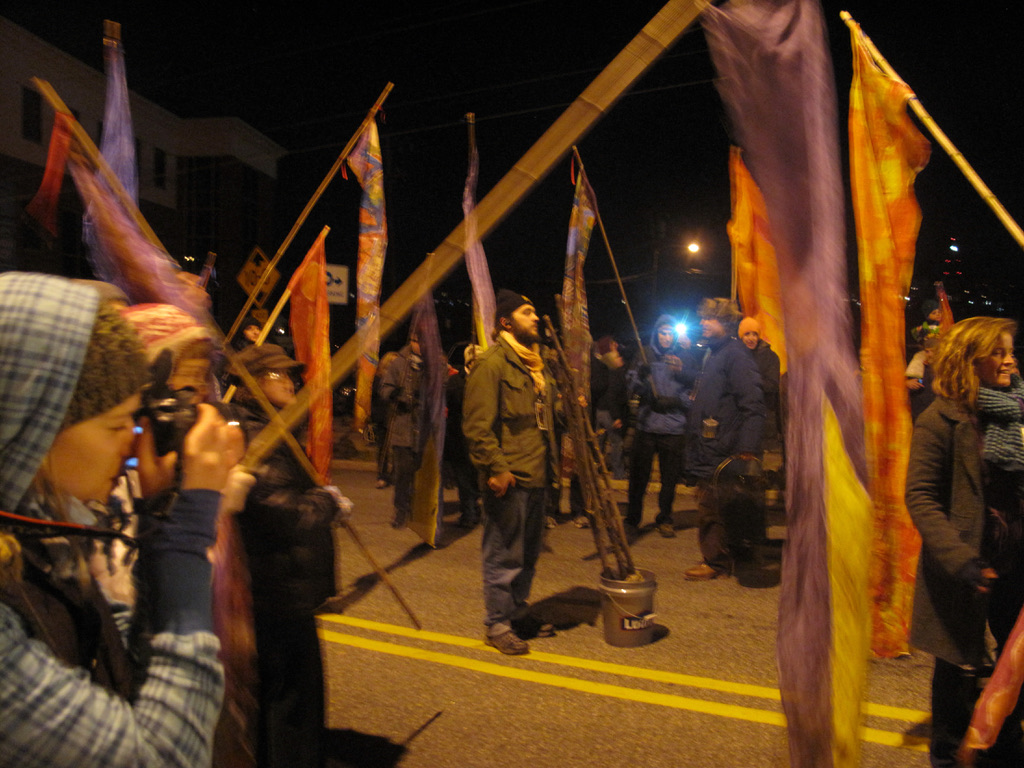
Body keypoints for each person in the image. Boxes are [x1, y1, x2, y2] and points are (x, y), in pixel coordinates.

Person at [0, 272, 243, 767]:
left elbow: (121, 673)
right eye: (116, 424)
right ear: (32, 427)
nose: (133, 442)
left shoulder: (37, 539)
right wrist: (184, 538)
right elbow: (162, 756)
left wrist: (158, 517)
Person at [906, 316, 1024, 767]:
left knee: (1013, 671)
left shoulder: (1016, 411)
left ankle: (1006, 745)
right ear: (969, 360)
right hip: (966, 570)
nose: (1010, 359)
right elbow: (919, 496)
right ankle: (948, 756)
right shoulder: (942, 420)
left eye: (1010, 350)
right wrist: (961, 560)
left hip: (1015, 563)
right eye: (998, 352)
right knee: (956, 673)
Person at [230, 343, 346, 768]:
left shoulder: (272, 428)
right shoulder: (253, 435)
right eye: (280, 375)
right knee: (290, 699)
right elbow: (282, 512)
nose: (291, 382)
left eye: (291, 375)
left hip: (281, 586)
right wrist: (328, 503)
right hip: (275, 589)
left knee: (287, 695)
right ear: (253, 385)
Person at [463, 290, 558, 655]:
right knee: (503, 555)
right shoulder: (493, 365)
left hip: (537, 474)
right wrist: (497, 469)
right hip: (510, 477)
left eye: (534, 311)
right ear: (506, 322)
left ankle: (517, 612)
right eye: (526, 312)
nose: (535, 318)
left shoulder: (537, 366)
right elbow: (477, 427)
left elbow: (542, 421)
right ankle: (497, 624)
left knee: (528, 554)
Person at [684, 298, 766, 580]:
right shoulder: (715, 354)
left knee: (713, 506)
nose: (703, 323)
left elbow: (753, 403)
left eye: (710, 318)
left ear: (727, 324)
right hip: (710, 444)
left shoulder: (736, 356)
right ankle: (728, 556)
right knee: (719, 504)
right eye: (703, 318)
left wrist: (747, 447)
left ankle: (716, 561)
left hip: (723, 448)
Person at [624, 315, 695, 538]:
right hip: (647, 426)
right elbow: (630, 386)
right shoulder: (644, 353)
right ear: (657, 333)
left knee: (669, 478)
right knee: (638, 477)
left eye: (670, 333)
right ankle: (633, 518)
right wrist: (640, 377)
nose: (666, 337)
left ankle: (665, 517)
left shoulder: (683, 357)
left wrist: (676, 401)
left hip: (673, 428)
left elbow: (693, 390)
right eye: (663, 332)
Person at [379, 333, 425, 529]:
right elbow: (384, 388)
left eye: (422, 341)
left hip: (425, 429)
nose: (419, 345)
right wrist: (394, 394)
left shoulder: (434, 363)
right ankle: (401, 510)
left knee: (422, 473)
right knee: (403, 473)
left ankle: (420, 510)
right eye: (415, 340)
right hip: (403, 428)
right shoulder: (399, 363)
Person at [445, 344, 482, 528]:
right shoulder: (455, 382)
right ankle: (468, 513)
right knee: (463, 478)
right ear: (470, 361)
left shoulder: (486, 380)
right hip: (459, 438)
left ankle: (474, 507)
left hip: (480, 437)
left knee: (475, 477)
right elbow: (450, 406)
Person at [738, 317, 781, 451]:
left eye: (754, 334)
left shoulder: (770, 357)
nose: (751, 338)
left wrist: (750, 380)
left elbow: (772, 385)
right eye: (747, 334)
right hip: (739, 415)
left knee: (757, 460)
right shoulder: (736, 355)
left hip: (763, 415)